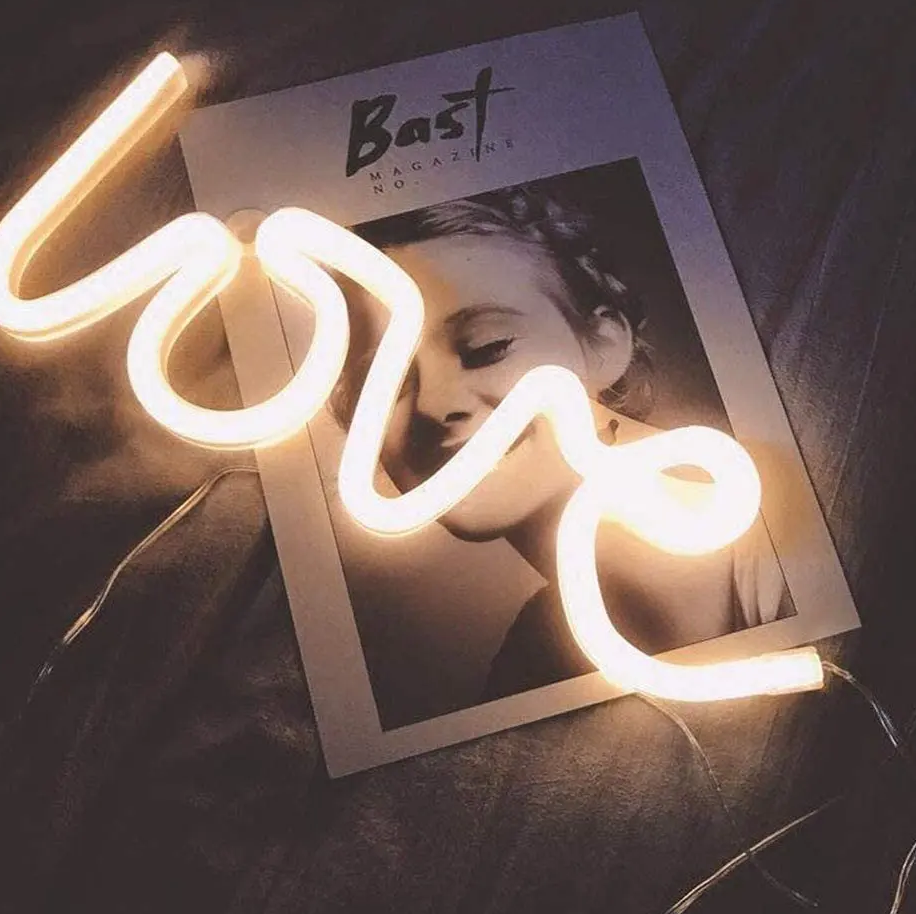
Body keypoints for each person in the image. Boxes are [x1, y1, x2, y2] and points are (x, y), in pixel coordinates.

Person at [331, 184, 788, 702]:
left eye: (488, 347)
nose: (436, 405)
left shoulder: (789, 552)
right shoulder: (535, 660)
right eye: (385, 382)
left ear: (605, 344)